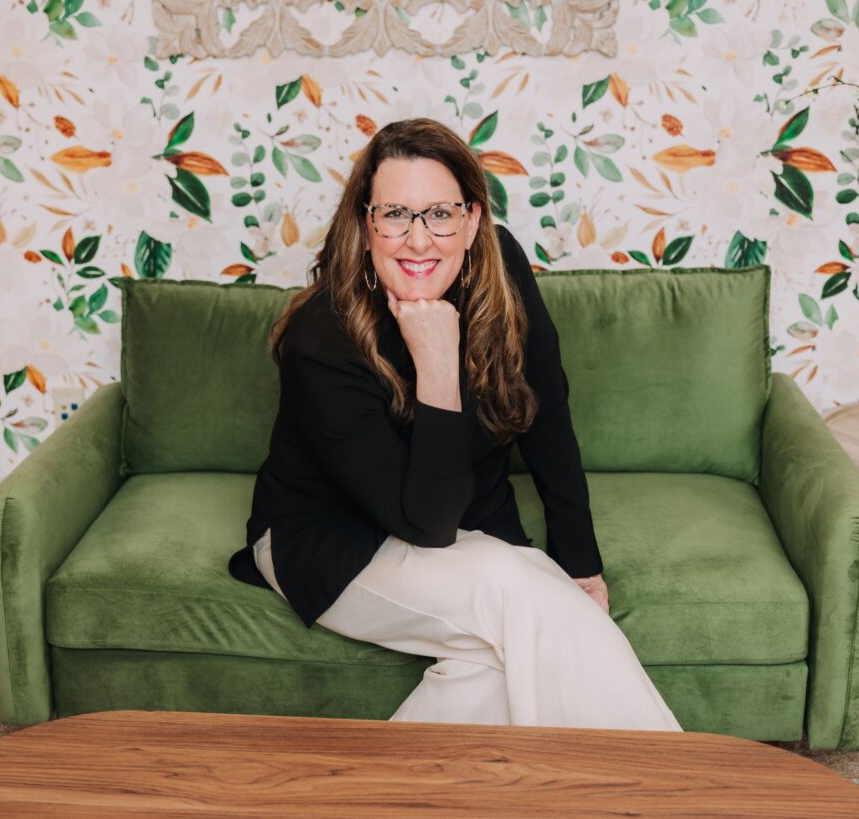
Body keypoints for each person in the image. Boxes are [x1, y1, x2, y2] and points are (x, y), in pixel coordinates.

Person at [228, 117, 681, 731]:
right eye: (395, 215)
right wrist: (437, 361)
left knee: (511, 647)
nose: (419, 241)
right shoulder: (322, 339)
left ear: (471, 221)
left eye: (440, 214)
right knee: (524, 600)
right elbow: (427, 524)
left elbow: (547, 413)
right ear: (366, 225)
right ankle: (672, 791)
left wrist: (578, 561)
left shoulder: (501, 268)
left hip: (462, 520)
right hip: (328, 542)